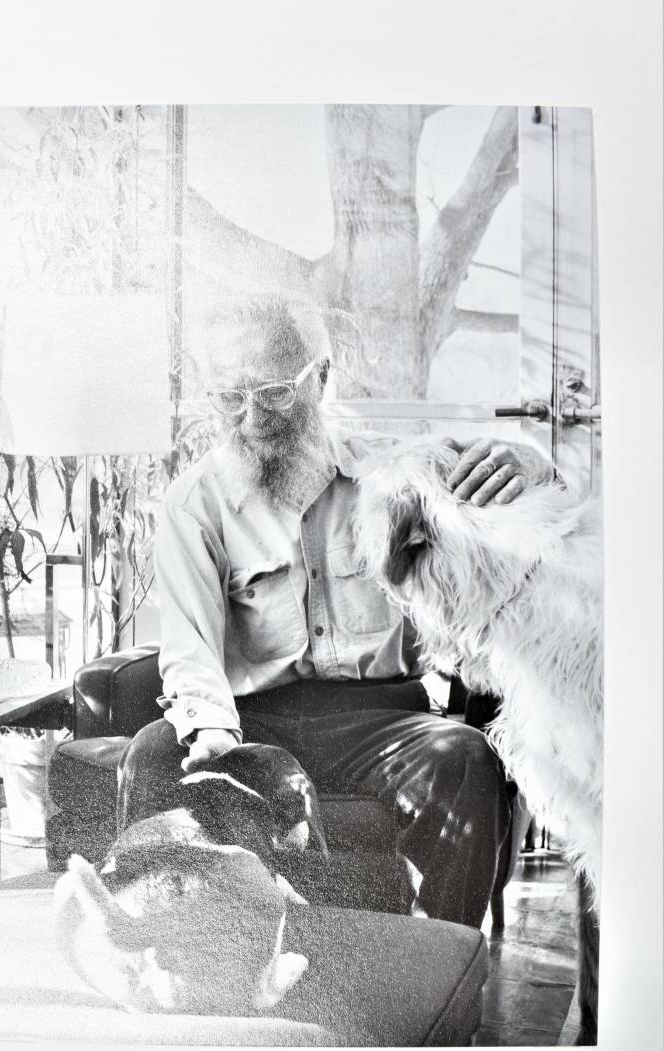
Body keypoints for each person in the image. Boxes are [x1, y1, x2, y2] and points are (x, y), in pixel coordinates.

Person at [117, 293, 555, 929]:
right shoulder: (193, 504)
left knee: (464, 758)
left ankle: (441, 958)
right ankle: (171, 950)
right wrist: (211, 730)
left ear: (320, 378)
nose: (251, 417)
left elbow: (523, 519)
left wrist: (532, 465)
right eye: (230, 397)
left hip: (382, 721)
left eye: (273, 392)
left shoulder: (394, 472)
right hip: (251, 721)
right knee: (151, 755)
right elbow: (191, 650)